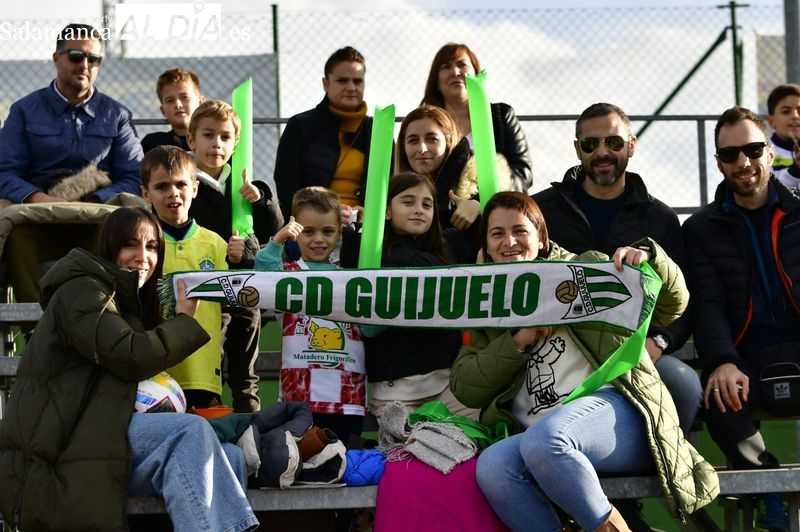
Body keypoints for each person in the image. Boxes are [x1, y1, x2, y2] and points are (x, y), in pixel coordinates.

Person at [450, 191, 718, 532]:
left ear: (541, 238)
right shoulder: (484, 306)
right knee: (492, 466)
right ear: (485, 246)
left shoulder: (585, 269)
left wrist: (649, 257)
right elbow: (466, 387)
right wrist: (519, 339)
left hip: (617, 416)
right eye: (497, 233)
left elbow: (672, 305)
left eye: (520, 230)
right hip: (541, 433)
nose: (509, 242)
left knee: (545, 442)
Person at [0, 206, 258, 532]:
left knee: (229, 455)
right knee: (188, 433)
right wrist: (184, 321)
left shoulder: (124, 303)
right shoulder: (82, 290)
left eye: (152, 247)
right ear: (109, 246)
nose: (143, 257)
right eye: (131, 245)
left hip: (101, 441)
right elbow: (130, 354)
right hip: (57, 454)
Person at [683, 106, 800, 531]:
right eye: (730, 155)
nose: (743, 162)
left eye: (752, 149)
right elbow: (707, 303)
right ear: (718, 163)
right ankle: (768, 491)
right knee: (716, 391)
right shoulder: (700, 228)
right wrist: (721, 360)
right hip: (746, 353)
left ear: (769, 152)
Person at [0, 23, 144, 303]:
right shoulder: (24, 111)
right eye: (76, 56)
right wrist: (37, 198)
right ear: (57, 58)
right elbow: (5, 171)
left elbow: (134, 176)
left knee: (115, 236)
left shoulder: (117, 115)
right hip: (36, 218)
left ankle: (96, 327)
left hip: (96, 219)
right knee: (17, 240)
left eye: (93, 59)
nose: (85, 64)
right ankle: (37, 331)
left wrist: (94, 200)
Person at [342, 172, 479, 421]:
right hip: (396, 390)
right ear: (386, 211)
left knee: (464, 445)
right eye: (408, 202)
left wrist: (475, 207)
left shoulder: (447, 247)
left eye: (427, 204)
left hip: (448, 384)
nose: (419, 210)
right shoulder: (371, 251)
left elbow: (492, 243)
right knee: (407, 456)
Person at [186, 99, 283, 412]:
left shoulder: (247, 185)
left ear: (236, 142)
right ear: (191, 139)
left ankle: (248, 418)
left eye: (225, 137)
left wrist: (261, 200)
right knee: (209, 358)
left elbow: (274, 228)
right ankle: (208, 416)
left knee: (244, 363)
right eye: (208, 135)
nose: (217, 144)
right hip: (207, 288)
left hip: (245, 286)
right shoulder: (184, 185)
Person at [255, 187, 366, 448]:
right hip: (299, 399)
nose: (319, 239)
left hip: (347, 399)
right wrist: (276, 242)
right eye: (309, 231)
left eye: (328, 231)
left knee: (344, 467)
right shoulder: (288, 275)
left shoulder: (353, 277)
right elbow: (262, 274)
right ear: (295, 230)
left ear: (340, 231)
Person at [140, 145, 229, 410]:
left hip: (204, 376)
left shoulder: (215, 244)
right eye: (162, 187)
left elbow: (238, 309)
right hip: (153, 376)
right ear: (145, 193)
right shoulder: (142, 246)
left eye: (181, 184)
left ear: (195, 188)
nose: (173, 193)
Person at [396, 104, 511, 262]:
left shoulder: (483, 187)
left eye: (432, 139)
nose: (422, 148)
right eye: (413, 140)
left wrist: (481, 210)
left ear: (449, 142)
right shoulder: (391, 192)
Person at [273, 46, 372, 224]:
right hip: (312, 227)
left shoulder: (377, 130)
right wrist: (326, 212)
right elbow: (287, 186)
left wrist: (369, 213)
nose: (351, 87)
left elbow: (390, 187)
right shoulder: (300, 125)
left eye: (358, 81)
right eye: (342, 81)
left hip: (366, 228)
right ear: (325, 83)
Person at [420, 42, 532, 192]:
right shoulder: (425, 123)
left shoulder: (501, 115)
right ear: (436, 82)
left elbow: (524, 171)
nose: (455, 72)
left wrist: (495, 188)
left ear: (477, 73)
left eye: (462, 64)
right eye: (446, 67)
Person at [141, 67, 206, 154]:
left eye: (185, 97)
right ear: (163, 110)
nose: (178, 105)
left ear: (201, 103)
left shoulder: (216, 140)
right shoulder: (152, 145)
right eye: (170, 100)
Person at [766, 83, 800, 191]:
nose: (795, 116)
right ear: (771, 121)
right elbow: (771, 188)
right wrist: (795, 170)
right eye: (786, 111)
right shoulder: (765, 152)